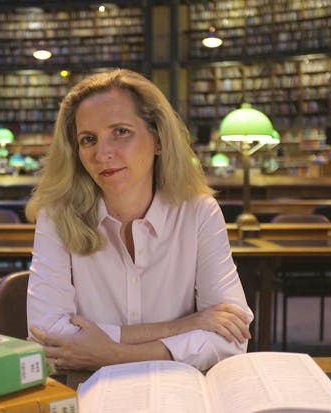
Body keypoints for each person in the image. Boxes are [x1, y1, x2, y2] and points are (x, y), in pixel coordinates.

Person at [25, 69, 253, 372]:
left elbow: (232, 338)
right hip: (88, 389)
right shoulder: (56, 217)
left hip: (175, 390)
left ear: (158, 139)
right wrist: (186, 326)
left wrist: (114, 355)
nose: (102, 153)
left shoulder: (199, 212)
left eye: (121, 132)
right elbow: (49, 336)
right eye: (88, 139)